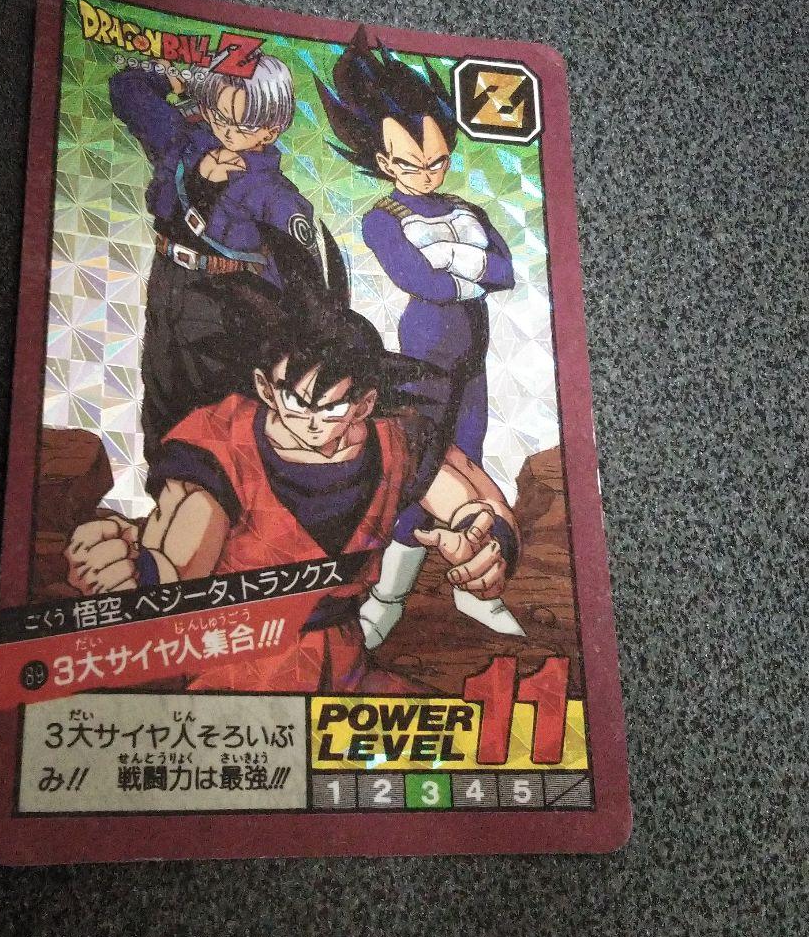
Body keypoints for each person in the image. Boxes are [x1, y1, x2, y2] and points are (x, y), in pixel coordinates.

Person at [63, 279, 520, 695]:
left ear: (364, 404)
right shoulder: (220, 445)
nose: (313, 422)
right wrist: (132, 575)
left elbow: (477, 502)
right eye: (296, 401)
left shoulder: (396, 441)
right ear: (266, 388)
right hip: (238, 680)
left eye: (332, 406)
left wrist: (487, 547)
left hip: (347, 671)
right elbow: (179, 565)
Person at [312, 27, 523, 640]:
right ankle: (388, 598)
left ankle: (471, 593)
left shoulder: (469, 210)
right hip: (426, 348)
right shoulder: (383, 216)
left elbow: (505, 271)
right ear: (384, 163)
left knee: (469, 456)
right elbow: (419, 279)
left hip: (473, 352)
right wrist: (469, 270)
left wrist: (456, 267)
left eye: (437, 161)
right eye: (410, 163)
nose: (427, 174)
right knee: (421, 471)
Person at [109, 53, 323, 463]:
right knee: (160, 395)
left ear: (271, 129)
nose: (227, 129)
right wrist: (182, 79)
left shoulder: (274, 194)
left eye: (243, 123)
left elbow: (302, 279)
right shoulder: (184, 141)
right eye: (219, 114)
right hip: (169, 280)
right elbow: (126, 89)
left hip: (228, 303)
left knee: (216, 413)